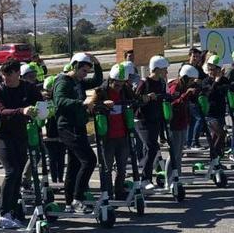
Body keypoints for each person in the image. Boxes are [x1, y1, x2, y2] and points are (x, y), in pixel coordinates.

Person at [0, 60, 42, 228]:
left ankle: (13, 207)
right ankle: (4, 213)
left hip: (22, 135)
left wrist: (43, 110)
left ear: (18, 72)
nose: (6, 78)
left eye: (9, 74)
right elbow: (0, 111)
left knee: (18, 173)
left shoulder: (28, 87)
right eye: (3, 75)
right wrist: (22, 110)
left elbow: (39, 105)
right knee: (11, 171)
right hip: (2, 137)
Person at [53, 52, 103, 212]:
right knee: (89, 160)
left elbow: (97, 80)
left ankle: (69, 203)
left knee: (74, 166)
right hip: (68, 127)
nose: (85, 75)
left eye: (87, 72)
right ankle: (77, 198)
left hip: (78, 126)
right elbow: (59, 101)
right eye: (83, 71)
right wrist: (81, 103)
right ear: (75, 66)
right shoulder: (63, 81)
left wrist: (96, 63)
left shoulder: (78, 81)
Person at [91, 64, 135, 201]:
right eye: (117, 85)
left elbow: (134, 100)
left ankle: (119, 191)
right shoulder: (100, 92)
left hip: (122, 135)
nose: (119, 88)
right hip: (107, 137)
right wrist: (102, 104)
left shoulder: (125, 91)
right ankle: (107, 194)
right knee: (107, 168)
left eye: (122, 85)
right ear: (110, 81)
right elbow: (90, 109)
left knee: (122, 168)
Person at [135, 56, 168, 190]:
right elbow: (135, 100)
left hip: (155, 119)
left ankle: (148, 170)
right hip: (142, 120)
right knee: (152, 147)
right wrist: (147, 98)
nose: (166, 72)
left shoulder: (161, 83)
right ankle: (145, 178)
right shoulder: (144, 83)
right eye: (164, 69)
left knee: (153, 149)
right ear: (156, 69)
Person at [167, 65, 200, 177]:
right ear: (184, 78)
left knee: (179, 152)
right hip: (174, 123)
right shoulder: (175, 86)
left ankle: (178, 175)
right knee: (174, 152)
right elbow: (172, 103)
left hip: (182, 122)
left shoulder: (185, 87)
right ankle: (170, 176)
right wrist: (186, 95)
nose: (192, 83)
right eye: (190, 80)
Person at [202, 55, 230, 161]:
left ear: (219, 70)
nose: (210, 71)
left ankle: (215, 161)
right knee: (220, 134)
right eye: (209, 69)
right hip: (210, 115)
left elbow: (227, 89)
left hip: (220, 112)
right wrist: (216, 82)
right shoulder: (206, 81)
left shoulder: (224, 80)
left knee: (216, 138)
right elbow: (209, 94)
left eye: (213, 69)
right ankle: (214, 157)